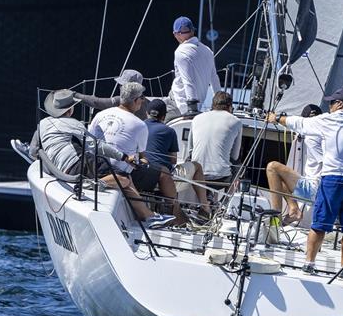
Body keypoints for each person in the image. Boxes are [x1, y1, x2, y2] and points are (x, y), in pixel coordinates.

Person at [268, 89, 343, 281]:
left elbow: (298, 122)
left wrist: (276, 118)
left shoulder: (326, 121)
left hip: (332, 180)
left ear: (340, 104)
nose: (329, 107)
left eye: (331, 103)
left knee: (319, 225)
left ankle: (309, 263)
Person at [28, 89, 143, 212]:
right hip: (75, 165)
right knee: (123, 177)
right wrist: (124, 157)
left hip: (61, 169)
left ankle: (147, 214)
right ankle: (90, 184)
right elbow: (96, 146)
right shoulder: (73, 123)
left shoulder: (42, 123)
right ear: (70, 110)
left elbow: (32, 152)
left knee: (118, 176)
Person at [89, 82, 163, 222]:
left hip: (92, 166)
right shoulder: (140, 125)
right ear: (135, 100)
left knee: (127, 179)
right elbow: (142, 157)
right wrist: (142, 161)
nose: (142, 101)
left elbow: (90, 142)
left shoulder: (100, 115)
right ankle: (151, 215)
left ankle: (149, 215)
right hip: (117, 172)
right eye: (141, 98)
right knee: (160, 175)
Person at [144, 99, 211, 216]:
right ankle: (205, 208)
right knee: (197, 167)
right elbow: (173, 160)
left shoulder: (139, 126)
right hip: (164, 179)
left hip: (143, 176)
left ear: (147, 113)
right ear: (164, 116)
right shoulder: (169, 131)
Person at [265, 104, 323, 224]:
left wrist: (274, 118)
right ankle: (294, 209)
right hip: (324, 190)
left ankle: (275, 220)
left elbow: (295, 124)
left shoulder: (311, 135)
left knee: (272, 168)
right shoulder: (327, 134)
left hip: (313, 192)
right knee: (278, 178)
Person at [165, 16, 221, 120]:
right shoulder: (208, 51)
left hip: (179, 103)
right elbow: (214, 79)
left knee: (152, 118)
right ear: (192, 31)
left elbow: (188, 81)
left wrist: (191, 110)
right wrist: (221, 104)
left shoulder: (180, 52)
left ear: (176, 34)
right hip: (197, 104)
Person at [187, 91, 242, 186]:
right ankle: (226, 199)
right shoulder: (236, 122)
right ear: (230, 106)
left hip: (196, 174)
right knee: (236, 166)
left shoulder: (196, 118)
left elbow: (190, 150)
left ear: (213, 105)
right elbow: (235, 156)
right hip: (220, 178)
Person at [73, 69, 148, 119]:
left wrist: (74, 95)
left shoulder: (121, 100)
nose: (120, 87)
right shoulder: (147, 102)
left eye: (121, 85)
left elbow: (96, 102)